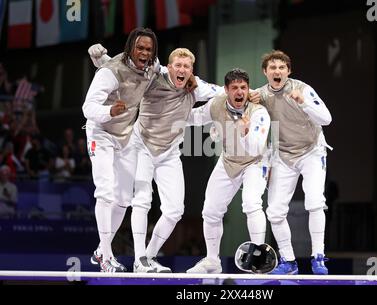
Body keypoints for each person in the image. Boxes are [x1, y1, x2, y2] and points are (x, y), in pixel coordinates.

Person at [89, 46, 226, 273]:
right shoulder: (153, 76)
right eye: (178, 66)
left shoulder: (195, 86)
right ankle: (138, 258)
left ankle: (149, 257)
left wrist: (254, 96)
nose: (182, 70)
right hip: (140, 146)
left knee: (174, 210)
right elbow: (124, 70)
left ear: (191, 70)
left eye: (187, 67)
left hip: (169, 153)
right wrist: (101, 59)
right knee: (141, 201)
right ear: (169, 67)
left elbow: (225, 93)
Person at [83, 27, 159, 272]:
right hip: (101, 132)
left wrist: (189, 79)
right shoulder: (109, 72)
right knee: (105, 191)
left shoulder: (152, 67)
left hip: (125, 136)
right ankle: (105, 256)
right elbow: (88, 107)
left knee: (123, 199)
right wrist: (108, 112)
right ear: (130, 47)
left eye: (148, 49)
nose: (144, 53)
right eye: (140, 48)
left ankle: (99, 249)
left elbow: (168, 72)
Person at [185, 68, 271, 274]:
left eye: (243, 87)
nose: (239, 92)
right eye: (235, 88)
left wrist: (245, 131)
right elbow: (194, 117)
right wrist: (169, 110)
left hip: (256, 162)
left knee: (251, 203)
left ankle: (258, 257)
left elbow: (254, 149)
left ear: (248, 89)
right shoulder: (216, 104)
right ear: (226, 90)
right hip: (229, 160)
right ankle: (212, 261)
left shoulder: (259, 113)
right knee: (211, 211)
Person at [257, 50, 332, 275]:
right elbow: (233, 95)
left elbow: (327, 119)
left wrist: (305, 103)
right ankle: (288, 261)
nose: (277, 71)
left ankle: (318, 257)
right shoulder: (259, 94)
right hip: (283, 156)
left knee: (315, 202)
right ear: (265, 72)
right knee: (275, 212)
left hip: (312, 151)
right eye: (272, 68)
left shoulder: (303, 89)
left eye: (281, 67)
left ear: (288, 71)